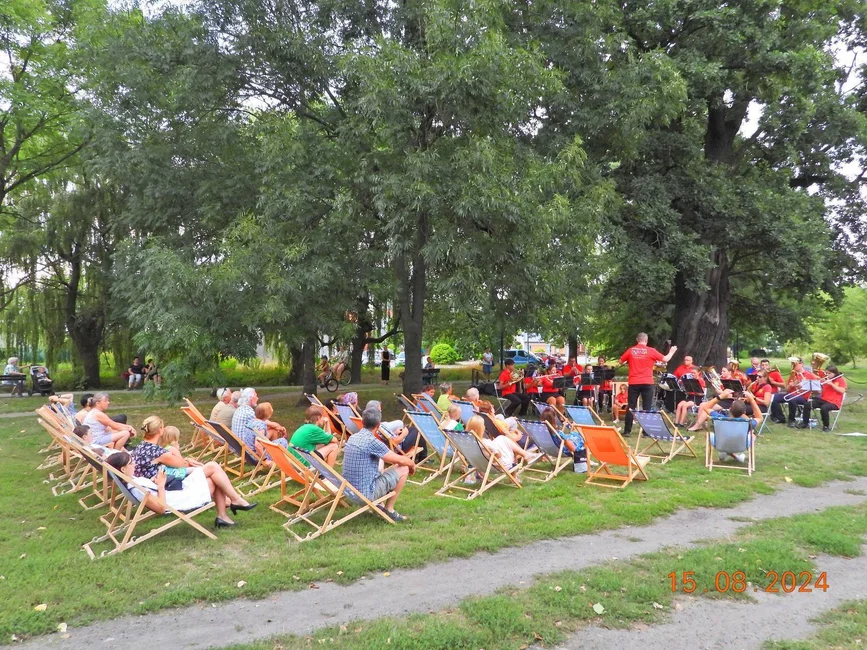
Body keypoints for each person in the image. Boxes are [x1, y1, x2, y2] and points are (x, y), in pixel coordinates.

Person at [122, 416, 257, 527]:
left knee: (213, 476)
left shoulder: (141, 446)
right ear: (160, 430)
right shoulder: (156, 451)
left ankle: (224, 515)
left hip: (161, 483)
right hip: (168, 487)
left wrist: (185, 462)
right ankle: (234, 501)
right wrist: (184, 459)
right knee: (213, 467)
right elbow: (181, 464)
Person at [342, 408, 415, 521]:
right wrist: (412, 465)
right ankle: (389, 509)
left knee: (381, 460)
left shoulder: (353, 437)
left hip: (349, 490)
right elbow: (400, 461)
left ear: (362, 422)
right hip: (365, 494)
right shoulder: (372, 441)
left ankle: (379, 504)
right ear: (379, 425)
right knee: (404, 468)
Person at [620, 333, 677, 437]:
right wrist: (672, 351)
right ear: (646, 340)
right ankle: (646, 432)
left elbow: (620, 361)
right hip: (647, 382)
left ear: (637, 339)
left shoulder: (631, 350)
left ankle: (627, 431)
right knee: (647, 407)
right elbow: (665, 359)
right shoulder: (651, 351)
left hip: (634, 381)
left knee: (631, 406)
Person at [465, 415, 538, 470]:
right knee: (506, 443)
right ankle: (526, 455)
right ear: (481, 428)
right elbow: (498, 455)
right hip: (499, 465)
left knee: (501, 438)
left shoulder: (468, 443)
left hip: (481, 464)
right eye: (483, 425)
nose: (484, 427)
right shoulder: (485, 443)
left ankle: (526, 455)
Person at [706, 391, 762, 464]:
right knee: (752, 435)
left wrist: (720, 396)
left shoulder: (719, 418)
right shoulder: (748, 423)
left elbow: (706, 407)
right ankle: (734, 456)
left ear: (729, 409)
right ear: (744, 412)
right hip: (741, 447)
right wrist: (752, 400)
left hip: (720, 444)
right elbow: (759, 417)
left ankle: (728, 453)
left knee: (708, 435)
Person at [802, 365, 846, 431]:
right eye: (826, 373)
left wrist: (831, 384)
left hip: (834, 402)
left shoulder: (840, 380)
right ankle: (805, 423)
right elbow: (820, 392)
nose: (827, 375)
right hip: (823, 400)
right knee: (807, 404)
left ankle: (826, 426)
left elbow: (842, 391)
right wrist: (815, 387)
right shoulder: (826, 380)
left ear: (835, 373)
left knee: (824, 408)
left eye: (829, 373)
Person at [673, 356, 706, 426]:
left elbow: (702, 393)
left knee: (685, 406)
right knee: (679, 405)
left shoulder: (701, 380)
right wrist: (687, 390)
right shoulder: (690, 380)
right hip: (690, 397)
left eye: (694, 373)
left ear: (699, 373)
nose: (692, 374)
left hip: (697, 398)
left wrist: (695, 391)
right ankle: (676, 422)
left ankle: (681, 423)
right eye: (692, 373)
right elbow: (688, 392)